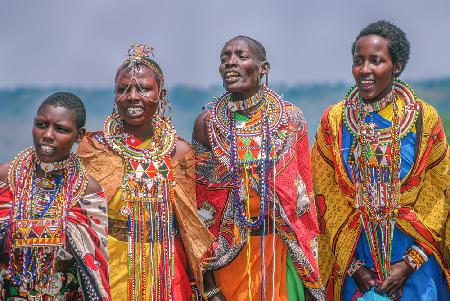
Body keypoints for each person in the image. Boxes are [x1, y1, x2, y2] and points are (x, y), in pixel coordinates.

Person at [312, 20, 449, 300]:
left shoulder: (425, 119)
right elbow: (324, 195)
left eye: (376, 61)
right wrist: (356, 268)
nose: (365, 70)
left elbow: (440, 194)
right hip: (356, 258)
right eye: (358, 61)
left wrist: (408, 264)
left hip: (415, 258)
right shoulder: (334, 121)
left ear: (396, 66)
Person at [77, 44, 213, 301]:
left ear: (161, 94)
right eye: (123, 88)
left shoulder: (180, 152)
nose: (132, 96)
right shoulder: (94, 148)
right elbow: (79, 219)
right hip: (112, 262)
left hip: (167, 267)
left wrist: (207, 283)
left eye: (144, 88)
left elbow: (190, 224)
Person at [193, 36, 324, 301]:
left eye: (241, 56)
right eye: (224, 58)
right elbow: (200, 211)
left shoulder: (290, 119)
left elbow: (304, 198)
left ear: (263, 68)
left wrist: (311, 273)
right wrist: (209, 285)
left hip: (282, 252)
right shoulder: (207, 124)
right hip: (229, 259)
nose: (231, 62)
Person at [0, 92, 110, 300]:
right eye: (41, 125)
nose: (48, 135)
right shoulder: (6, 176)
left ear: (79, 135)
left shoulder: (88, 190)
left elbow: (95, 263)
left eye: (61, 129)